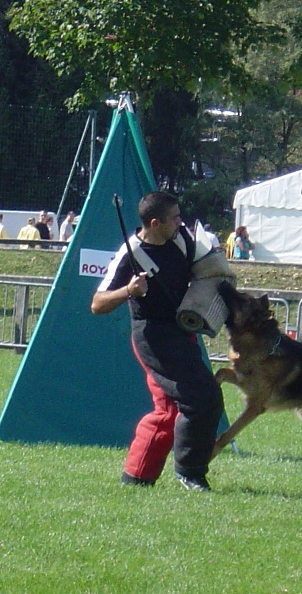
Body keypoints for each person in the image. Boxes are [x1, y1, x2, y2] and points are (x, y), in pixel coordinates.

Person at [91, 191, 224, 492]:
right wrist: (129, 291)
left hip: (180, 331)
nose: (181, 222)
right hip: (153, 336)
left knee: (172, 409)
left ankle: (137, 478)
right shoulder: (129, 255)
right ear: (155, 223)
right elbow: (97, 304)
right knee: (199, 398)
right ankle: (189, 473)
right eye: (175, 218)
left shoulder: (182, 240)